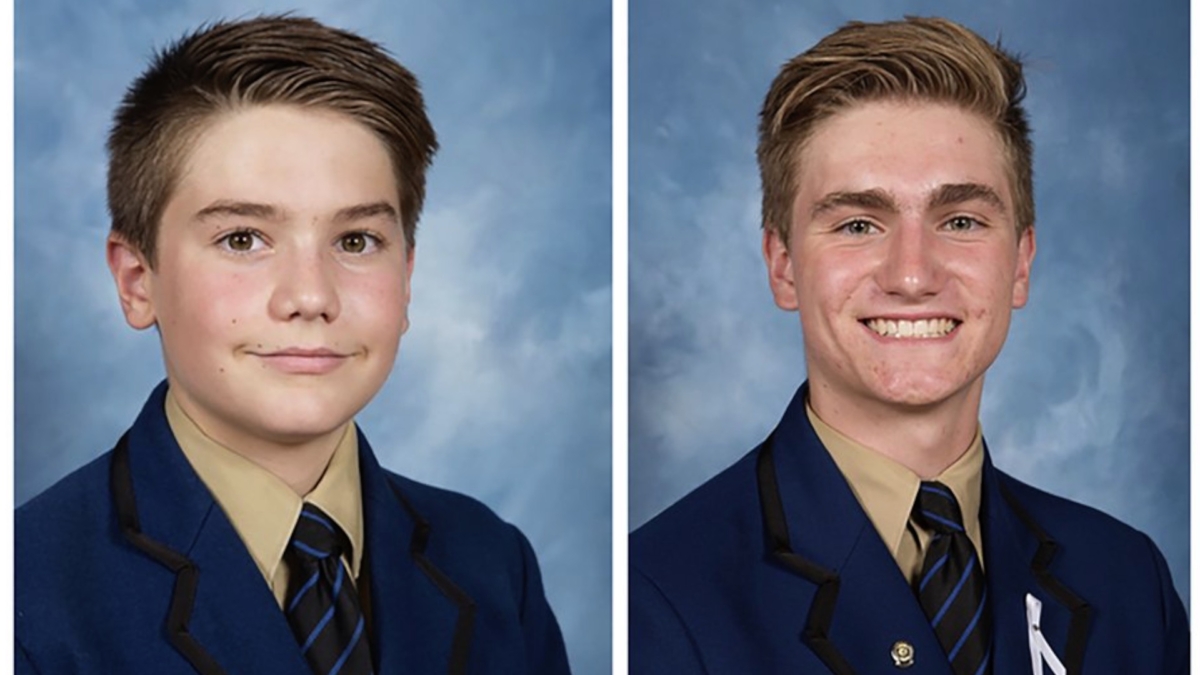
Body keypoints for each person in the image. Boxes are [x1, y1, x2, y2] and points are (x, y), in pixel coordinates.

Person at [630, 17, 1187, 675]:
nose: (913, 274)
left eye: (960, 221)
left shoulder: (1125, 581)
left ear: (1020, 264)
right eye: (860, 223)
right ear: (782, 266)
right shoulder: (657, 599)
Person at [16, 16, 570, 675]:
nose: (311, 296)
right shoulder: (25, 597)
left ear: (408, 275)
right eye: (243, 238)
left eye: (356, 241)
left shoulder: (492, 562)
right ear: (139, 282)